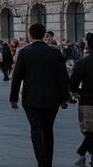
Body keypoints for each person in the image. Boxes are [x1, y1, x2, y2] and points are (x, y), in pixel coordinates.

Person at [11, 22, 71, 167]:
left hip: (31, 99)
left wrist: (13, 98)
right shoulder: (55, 52)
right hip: (52, 99)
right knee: (48, 129)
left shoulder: (24, 52)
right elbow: (62, 77)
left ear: (30, 34)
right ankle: (48, 162)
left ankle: (42, 162)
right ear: (44, 35)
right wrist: (64, 99)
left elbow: (17, 76)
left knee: (36, 129)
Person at [70, 32, 93, 166]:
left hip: (87, 101)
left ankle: (82, 154)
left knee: (88, 130)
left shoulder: (81, 62)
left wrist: (80, 93)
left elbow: (72, 85)